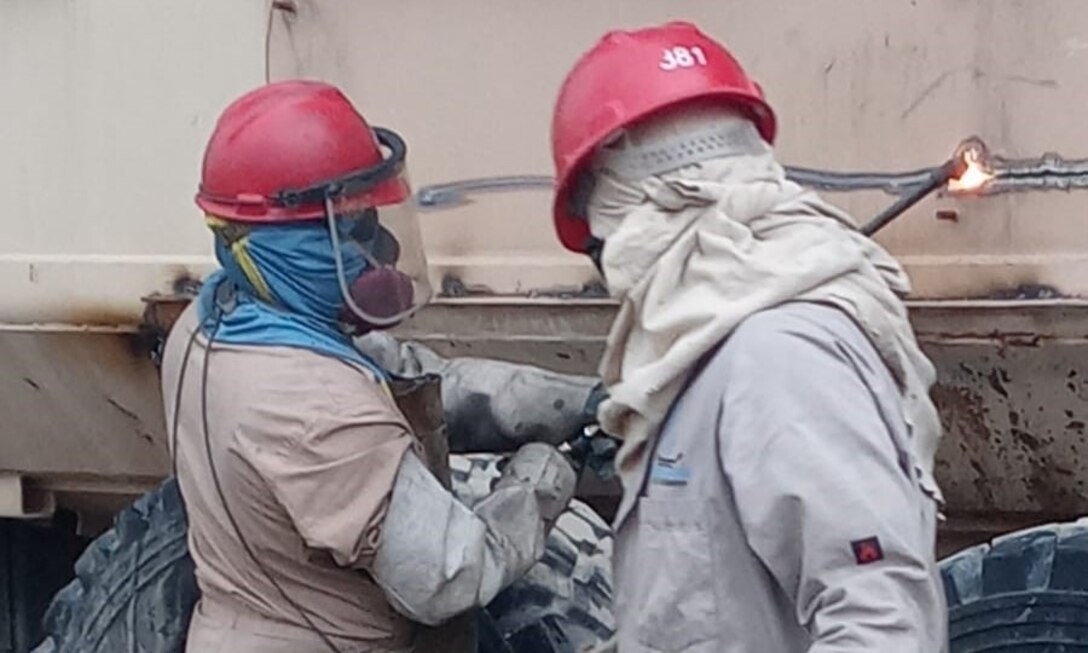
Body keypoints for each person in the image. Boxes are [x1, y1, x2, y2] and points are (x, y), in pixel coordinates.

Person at [548, 21, 949, 653]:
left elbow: (878, 619)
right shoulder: (702, 358)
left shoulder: (780, 356)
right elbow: (701, 608)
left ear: (640, 201)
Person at [160, 79, 576, 653]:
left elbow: (404, 379)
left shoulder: (221, 320)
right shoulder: (312, 408)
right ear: (295, 242)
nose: (379, 248)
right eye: (352, 227)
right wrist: (539, 482)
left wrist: (576, 403)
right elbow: (447, 575)